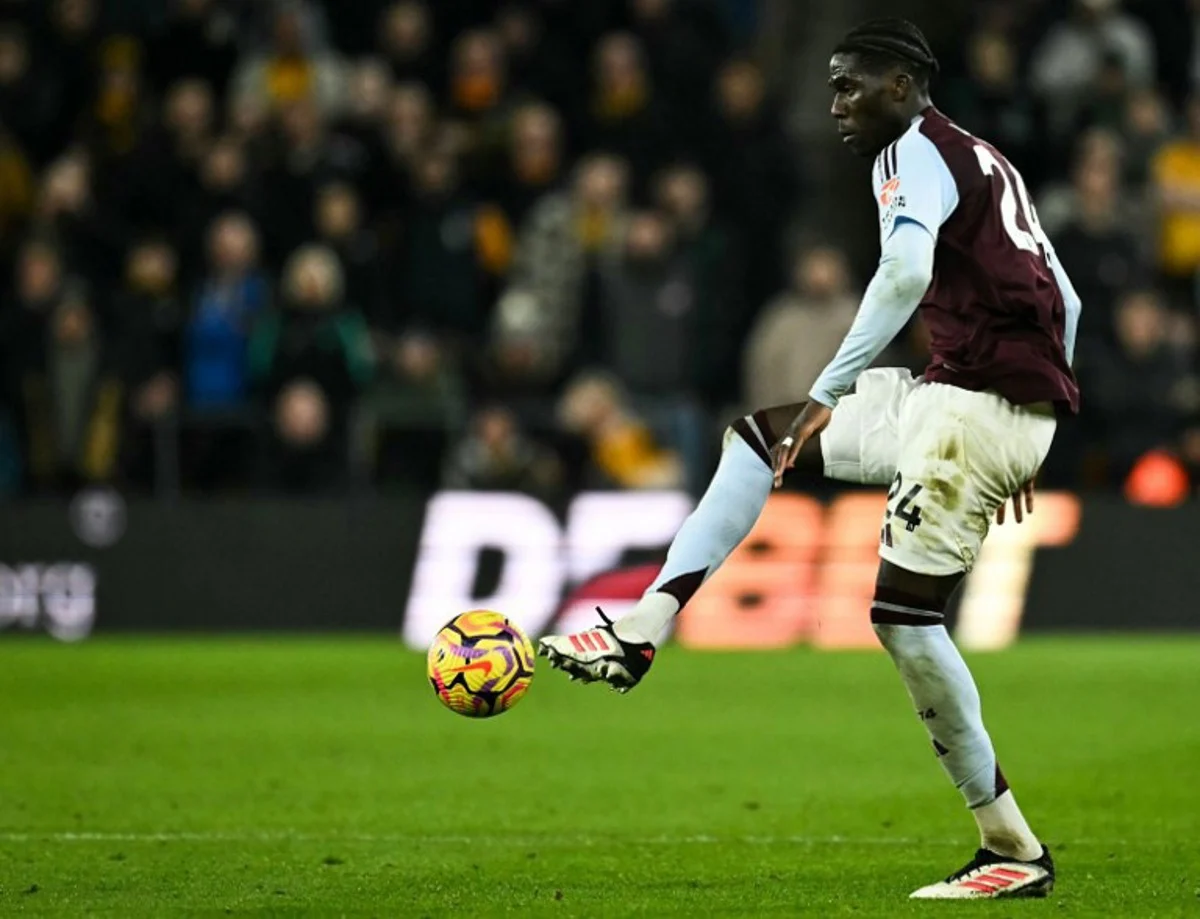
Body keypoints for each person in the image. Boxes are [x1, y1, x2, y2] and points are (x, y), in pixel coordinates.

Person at [538, 19, 1082, 901]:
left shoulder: (909, 155)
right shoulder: (983, 158)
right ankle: (645, 626)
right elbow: (1069, 297)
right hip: (973, 404)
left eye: (850, 86)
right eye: (831, 86)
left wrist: (833, 385)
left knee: (905, 620)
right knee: (760, 437)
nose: (834, 105)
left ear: (902, 86)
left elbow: (904, 276)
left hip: (971, 411)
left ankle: (1011, 845)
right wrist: (1041, 416)